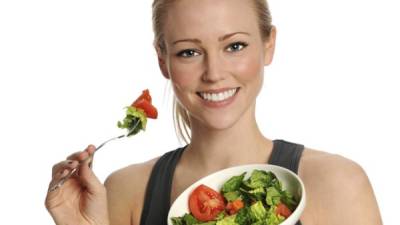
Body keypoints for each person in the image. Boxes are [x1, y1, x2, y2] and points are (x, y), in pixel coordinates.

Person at [45, 0, 383, 224]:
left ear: (269, 45)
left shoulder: (337, 184)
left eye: (234, 46)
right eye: (189, 52)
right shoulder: (126, 191)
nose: (214, 73)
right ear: (162, 60)